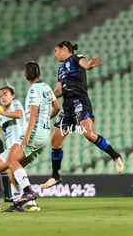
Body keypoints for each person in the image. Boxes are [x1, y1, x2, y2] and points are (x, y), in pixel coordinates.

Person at [41, 41, 124, 189]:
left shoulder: (76, 58)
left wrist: (89, 65)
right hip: (67, 106)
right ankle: (55, 176)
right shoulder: (60, 69)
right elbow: (59, 91)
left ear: (64, 49)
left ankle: (116, 156)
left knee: (89, 134)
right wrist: (48, 96)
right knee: (55, 142)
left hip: (79, 101)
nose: (55, 54)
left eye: (56, 50)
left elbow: (85, 64)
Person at [4, 61, 60, 212]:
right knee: (15, 167)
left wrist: (27, 136)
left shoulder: (33, 90)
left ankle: (28, 192)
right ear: (40, 73)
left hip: (34, 133)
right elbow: (57, 108)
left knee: (11, 160)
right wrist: (47, 118)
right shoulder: (47, 87)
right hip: (45, 135)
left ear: (25, 75)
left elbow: (34, 114)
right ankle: (25, 205)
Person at [0, 86, 39, 211]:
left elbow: (18, 115)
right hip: (11, 149)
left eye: (6, 94)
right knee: (9, 175)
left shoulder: (15, 104)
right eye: (1, 95)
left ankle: (1, 203)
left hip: (18, 145)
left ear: (12, 96)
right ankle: (24, 204)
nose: (3, 97)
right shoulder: (3, 115)